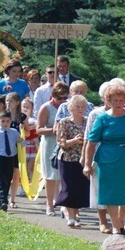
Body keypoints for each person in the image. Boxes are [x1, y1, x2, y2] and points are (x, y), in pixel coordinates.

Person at [84, 84, 125, 235]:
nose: (118, 103)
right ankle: (116, 226)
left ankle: (119, 219)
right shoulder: (102, 118)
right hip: (106, 159)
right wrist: (87, 164)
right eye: (115, 100)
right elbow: (91, 143)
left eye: (121, 100)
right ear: (108, 101)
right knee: (109, 193)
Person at [83, 82, 114, 233]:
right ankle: (103, 222)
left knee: (116, 189)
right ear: (103, 97)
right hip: (98, 155)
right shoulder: (95, 114)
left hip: (118, 157)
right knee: (98, 189)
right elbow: (87, 138)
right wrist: (85, 160)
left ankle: (118, 221)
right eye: (108, 95)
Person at [55, 95, 90, 228]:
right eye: (77, 106)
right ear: (71, 108)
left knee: (79, 189)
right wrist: (74, 140)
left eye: (82, 107)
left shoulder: (88, 122)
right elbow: (61, 143)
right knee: (69, 188)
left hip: (83, 159)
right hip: (67, 159)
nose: (80, 109)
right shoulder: (64, 122)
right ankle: (71, 217)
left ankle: (75, 215)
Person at [37, 82, 69, 216]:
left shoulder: (68, 107)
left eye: (64, 98)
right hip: (50, 143)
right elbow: (39, 129)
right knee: (50, 176)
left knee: (64, 175)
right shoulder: (46, 108)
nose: (62, 101)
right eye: (59, 98)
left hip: (64, 144)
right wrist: (53, 130)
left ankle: (62, 203)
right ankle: (49, 205)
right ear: (53, 96)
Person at [0, 111, 22, 211]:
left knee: (8, 179)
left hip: (10, 158)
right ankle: (4, 200)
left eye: (8, 121)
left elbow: (23, 144)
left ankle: (2, 201)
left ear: (11, 121)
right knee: (0, 179)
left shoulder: (14, 132)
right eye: (3, 121)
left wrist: (21, 140)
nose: (5, 123)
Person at [4, 92, 28, 208]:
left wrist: (23, 130)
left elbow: (28, 133)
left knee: (15, 174)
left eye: (11, 101)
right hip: (4, 148)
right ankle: (2, 195)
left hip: (17, 148)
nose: (8, 103)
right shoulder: (4, 115)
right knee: (4, 173)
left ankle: (12, 199)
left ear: (17, 103)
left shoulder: (22, 117)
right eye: (7, 101)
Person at [20, 98, 38, 183]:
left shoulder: (34, 121)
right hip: (22, 146)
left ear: (32, 109)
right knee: (23, 166)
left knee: (31, 166)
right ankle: (24, 185)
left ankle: (32, 184)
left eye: (28, 107)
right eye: (23, 106)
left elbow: (36, 134)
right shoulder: (18, 120)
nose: (25, 109)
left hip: (32, 146)